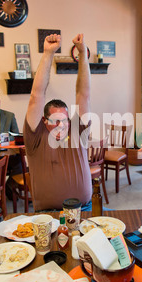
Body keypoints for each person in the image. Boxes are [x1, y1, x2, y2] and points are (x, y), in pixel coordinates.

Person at [24, 33, 92, 211]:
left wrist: (83, 53)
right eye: (55, 121)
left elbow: (83, 94)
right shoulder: (35, 136)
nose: (61, 125)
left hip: (84, 209)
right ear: (44, 121)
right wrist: (48, 53)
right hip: (49, 213)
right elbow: (36, 95)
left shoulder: (77, 131)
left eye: (65, 120)